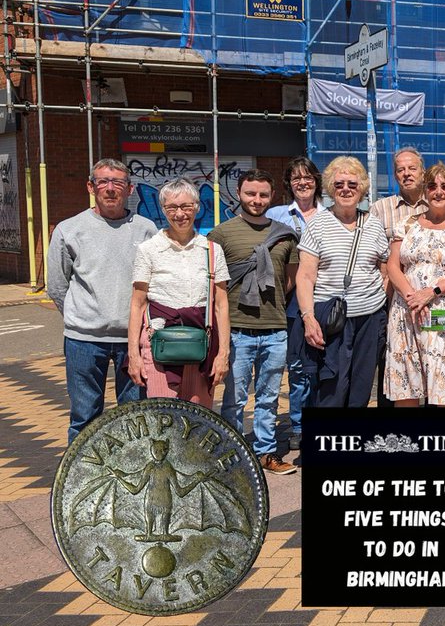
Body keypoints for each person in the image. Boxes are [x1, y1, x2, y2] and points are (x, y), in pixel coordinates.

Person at [48, 159, 157, 443]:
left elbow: (155, 283)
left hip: (132, 340)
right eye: (103, 182)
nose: (110, 189)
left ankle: (133, 480)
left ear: (129, 189)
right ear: (91, 187)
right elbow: (57, 285)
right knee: (84, 416)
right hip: (83, 340)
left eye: (118, 183)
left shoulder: (146, 230)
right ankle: (82, 481)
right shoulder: (69, 230)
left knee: (135, 415)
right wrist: (82, 317)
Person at [209, 169, 299, 475]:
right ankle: (232, 455)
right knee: (233, 399)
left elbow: (291, 281)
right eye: (250, 193)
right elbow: (212, 283)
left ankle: (265, 453)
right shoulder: (221, 234)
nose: (256, 200)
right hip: (235, 331)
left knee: (269, 399)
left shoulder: (286, 235)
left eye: (263, 195)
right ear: (239, 192)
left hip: (275, 331)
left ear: (271, 196)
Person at [384, 163, 445, 406]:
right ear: (425, 191)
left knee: (443, 379)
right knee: (407, 378)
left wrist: (431, 293)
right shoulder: (406, 225)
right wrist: (412, 296)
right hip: (408, 310)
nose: (438, 191)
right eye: (432, 186)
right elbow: (394, 266)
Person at [295, 156, 390, 408]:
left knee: (361, 387)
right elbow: (305, 275)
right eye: (339, 184)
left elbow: (385, 268)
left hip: (369, 318)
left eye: (352, 184)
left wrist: (379, 298)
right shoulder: (317, 223)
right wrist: (308, 317)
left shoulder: (374, 224)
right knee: (331, 387)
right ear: (329, 188)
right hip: (332, 320)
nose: (346, 189)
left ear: (362, 189)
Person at [127, 178, 231, 405]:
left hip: (202, 343)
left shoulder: (212, 250)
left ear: (197, 207)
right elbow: (138, 303)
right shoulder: (149, 250)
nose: (180, 214)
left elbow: (221, 304)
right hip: (159, 344)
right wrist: (133, 356)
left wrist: (223, 354)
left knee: (199, 416)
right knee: (163, 415)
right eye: (172, 207)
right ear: (163, 210)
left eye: (186, 206)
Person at [267, 156, 322, 451]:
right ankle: (300, 425)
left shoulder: (330, 214)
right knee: (298, 366)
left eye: (308, 177)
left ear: (316, 181)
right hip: (288, 301)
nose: (303, 182)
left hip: (324, 299)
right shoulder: (276, 215)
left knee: (324, 365)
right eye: (296, 177)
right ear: (289, 183)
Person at [370, 147, 428, 408]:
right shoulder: (379, 209)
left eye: (412, 168)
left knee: (433, 356)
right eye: (400, 170)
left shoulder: (440, 204)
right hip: (391, 300)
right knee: (393, 362)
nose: (406, 174)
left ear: (423, 172)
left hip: (432, 303)